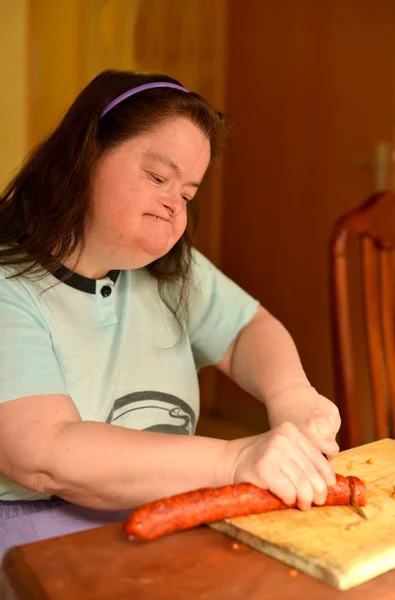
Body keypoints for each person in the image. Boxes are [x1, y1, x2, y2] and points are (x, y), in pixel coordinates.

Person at [0, 69, 340, 557]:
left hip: (169, 509)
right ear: (83, 156)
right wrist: (233, 458)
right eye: (158, 177)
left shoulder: (172, 271)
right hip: (36, 533)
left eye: (187, 194)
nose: (173, 205)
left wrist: (292, 395)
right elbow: (44, 454)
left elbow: (248, 329)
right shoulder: (8, 286)